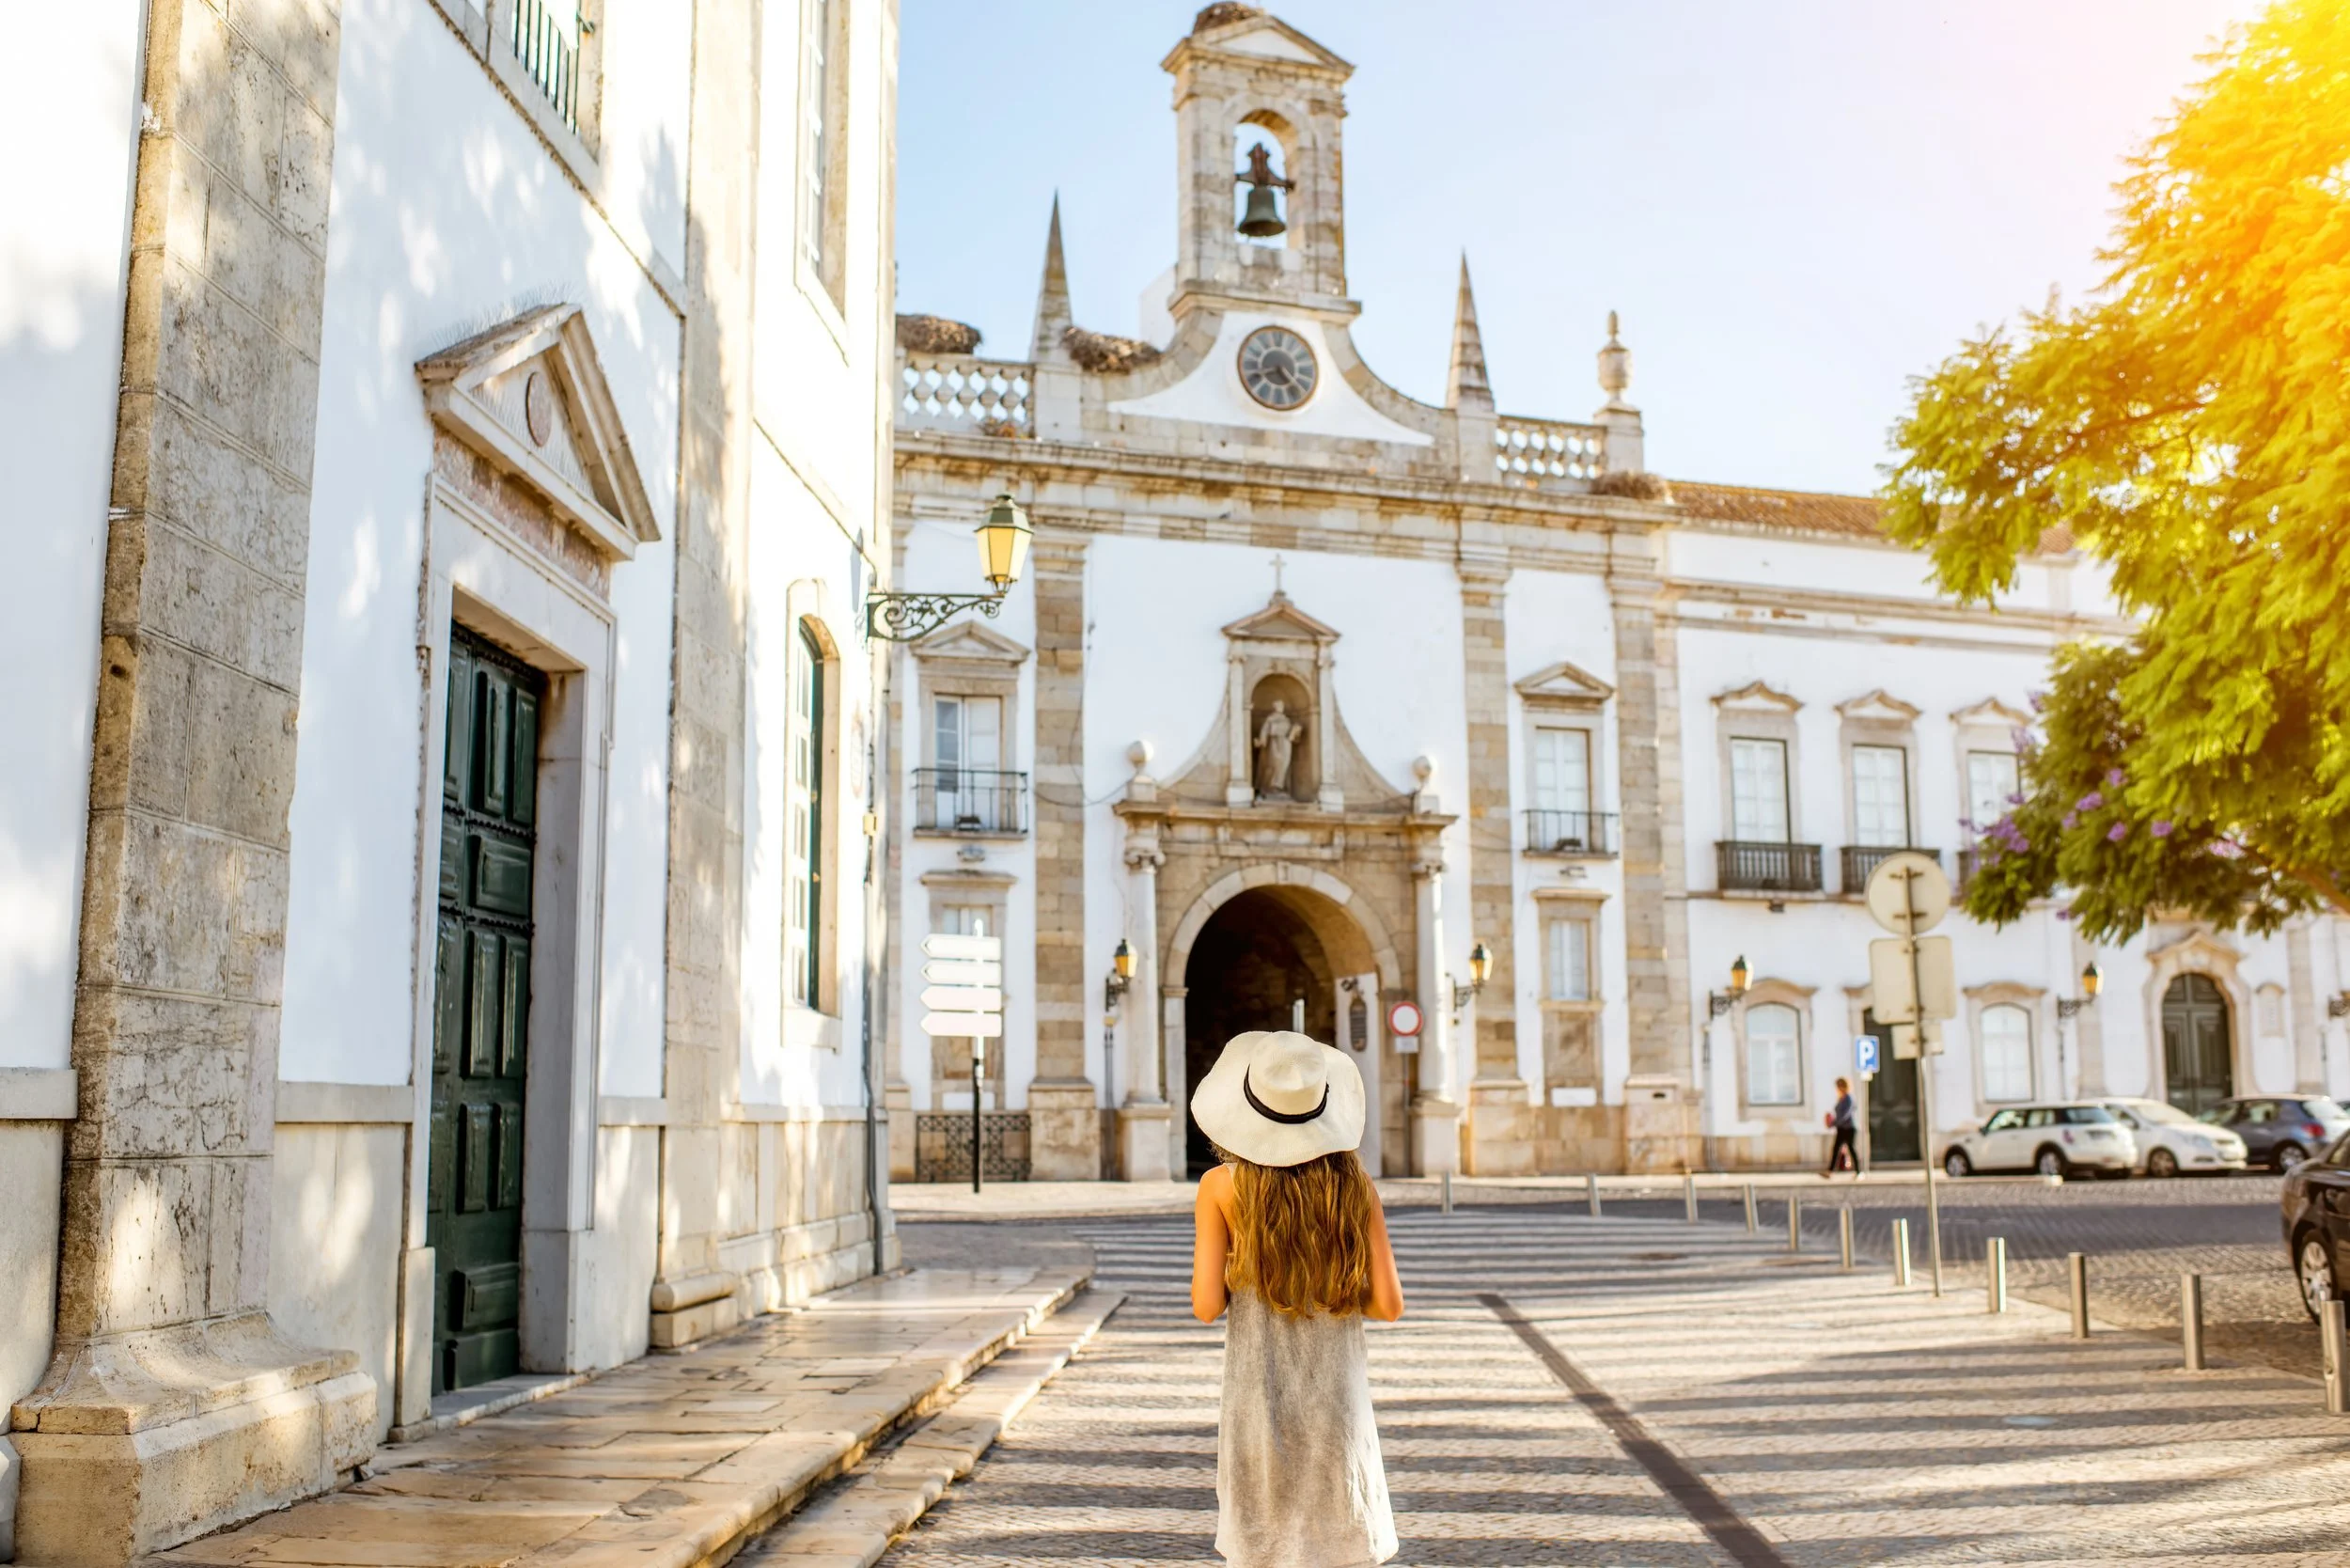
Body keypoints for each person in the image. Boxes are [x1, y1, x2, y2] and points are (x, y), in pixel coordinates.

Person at [1191, 1030, 1404, 1568]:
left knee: (1263, 1546)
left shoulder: (1220, 1187)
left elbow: (1206, 1305)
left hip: (1257, 1401)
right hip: (1338, 1403)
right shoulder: (1356, 1187)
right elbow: (1389, 1305)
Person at [1825, 1075, 1861, 1177]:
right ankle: (1830, 1171)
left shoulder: (1849, 1098)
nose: (1838, 1088)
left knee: (1851, 1148)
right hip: (1841, 1128)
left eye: (1840, 1085)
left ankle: (1859, 1172)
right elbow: (1839, 1114)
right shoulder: (1841, 1098)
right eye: (1838, 1086)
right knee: (1836, 1149)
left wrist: (1833, 1123)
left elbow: (1845, 1115)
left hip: (1849, 1128)